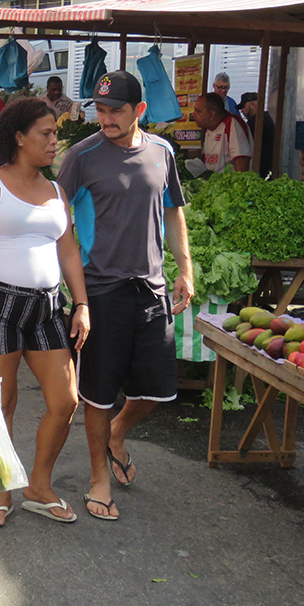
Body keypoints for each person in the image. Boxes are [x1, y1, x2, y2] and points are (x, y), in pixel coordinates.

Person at [56, 71, 193, 522]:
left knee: (158, 391)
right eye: (100, 109)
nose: (106, 118)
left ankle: (117, 433)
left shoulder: (163, 152)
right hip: (99, 291)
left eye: (116, 110)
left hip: (151, 287)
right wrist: (76, 296)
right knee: (96, 394)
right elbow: (59, 226)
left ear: (140, 110)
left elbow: (173, 212)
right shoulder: (82, 155)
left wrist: (185, 268)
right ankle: (99, 477)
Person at [0, 97, 89, 528]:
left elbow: (68, 249)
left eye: (55, 133)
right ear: (18, 138)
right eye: (46, 134)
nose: (54, 141)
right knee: (2, 403)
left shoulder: (56, 190)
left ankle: (39, 485)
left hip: (49, 307)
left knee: (65, 400)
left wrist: (82, 304)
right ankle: (1, 490)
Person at [192, 92, 252, 173]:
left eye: (198, 111)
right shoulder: (209, 127)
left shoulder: (232, 124)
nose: (193, 115)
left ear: (211, 114)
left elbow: (242, 159)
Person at [238, 92, 275, 177]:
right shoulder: (266, 118)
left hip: (261, 168)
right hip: (267, 167)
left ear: (253, 105)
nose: (242, 111)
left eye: (243, 107)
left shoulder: (256, 121)